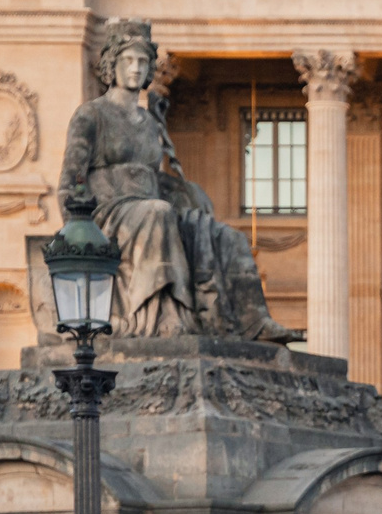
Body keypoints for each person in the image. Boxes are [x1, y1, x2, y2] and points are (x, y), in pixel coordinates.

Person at [58, 20, 298, 344]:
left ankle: (253, 322)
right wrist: (76, 232)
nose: (136, 68)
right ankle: (167, 316)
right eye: (128, 60)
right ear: (111, 65)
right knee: (158, 214)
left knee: (229, 236)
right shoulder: (91, 115)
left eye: (143, 61)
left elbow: (155, 178)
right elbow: (70, 180)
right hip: (108, 214)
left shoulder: (148, 121)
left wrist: (188, 192)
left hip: (149, 208)